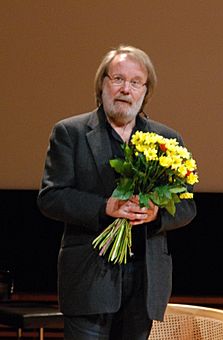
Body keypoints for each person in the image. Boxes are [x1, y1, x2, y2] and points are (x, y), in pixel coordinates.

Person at [37, 45, 197, 340]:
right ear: (102, 85)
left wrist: (157, 213)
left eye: (136, 82)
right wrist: (103, 207)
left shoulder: (167, 140)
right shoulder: (69, 132)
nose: (126, 89)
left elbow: (187, 206)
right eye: (118, 79)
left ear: (145, 91)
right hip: (88, 280)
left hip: (145, 283)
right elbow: (51, 197)